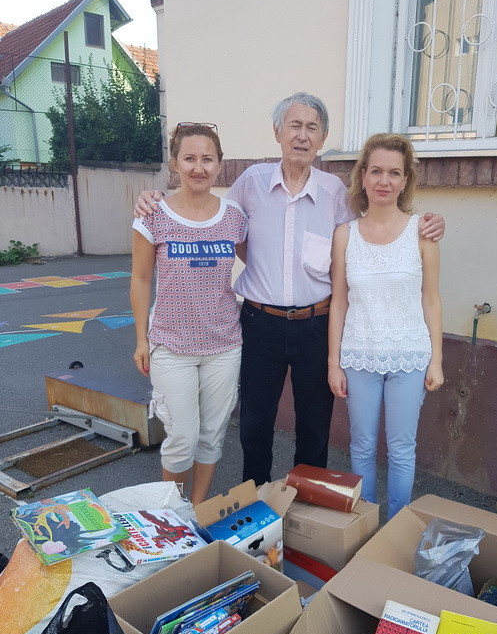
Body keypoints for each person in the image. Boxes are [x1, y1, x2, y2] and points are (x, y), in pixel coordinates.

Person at [134, 94, 445, 486]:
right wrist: (155, 198)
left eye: (312, 128)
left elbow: (370, 232)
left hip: (316, 323)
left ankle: (307, 507)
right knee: (254, 425)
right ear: (277, 131)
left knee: (314, 428)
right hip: (259, 322)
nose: (302, 136)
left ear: (323, 138)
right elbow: (217, 218)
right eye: (294, 125)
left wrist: (429, 223)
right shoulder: (251, 183)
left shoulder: (334, 191)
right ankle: (256, 501)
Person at [328, 133, 444, 519]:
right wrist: (333, 362)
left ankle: (396, 529)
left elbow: (432, 300)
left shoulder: (422, 232)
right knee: (361, 447)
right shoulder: (344, 235)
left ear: (405, 180)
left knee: (402, 450)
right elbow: (339, 302)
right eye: (376, 171)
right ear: (362, 176)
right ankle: (364, 526)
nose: (384, 180)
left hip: (410, 356)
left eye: (394, 173)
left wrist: (437, 360)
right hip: (359, 355)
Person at [130, 123, 247, 504]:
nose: (199, 167)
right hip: (172, 346)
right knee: (181, 437)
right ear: (175, 163)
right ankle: (172, 513)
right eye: (190, 158)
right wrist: (141, 340)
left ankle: (195, 510)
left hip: (223, 346)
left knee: (212, 435)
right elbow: (141, 279)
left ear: (219, 164)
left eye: (207, 159)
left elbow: (260, 263)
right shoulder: (153, 214)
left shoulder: (234, 217)